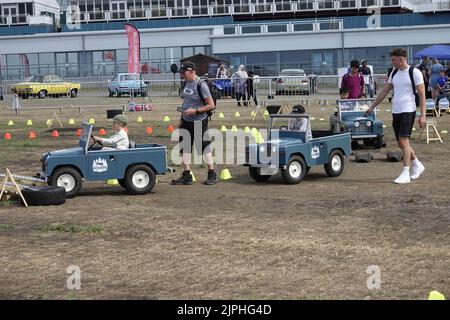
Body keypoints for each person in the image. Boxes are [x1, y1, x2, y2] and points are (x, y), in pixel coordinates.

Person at [364, 48, 426, 184]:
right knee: (401, 143)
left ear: (401, 59)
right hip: (396, 111)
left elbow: (422, 95)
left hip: (408, 110)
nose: (391, 61)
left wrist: (423, 115)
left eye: (393, 59)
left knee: (404, 141)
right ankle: (417, 164)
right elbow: (384, 91)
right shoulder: (394, 72)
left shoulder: (414, 72)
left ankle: (405, 172)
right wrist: (372, 107)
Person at [171, 62, 217, 186]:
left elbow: (211, 105)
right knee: (184, 147)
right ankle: (187, 175)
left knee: (203, 147)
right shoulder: (185, 82)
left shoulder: (201, 85)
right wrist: (183, 115)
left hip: (199, 120)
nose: (182, 75)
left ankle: (212, 173)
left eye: (183, 72)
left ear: (191, 71)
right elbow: (186, 100)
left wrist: (196, 111)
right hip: (186, 120)